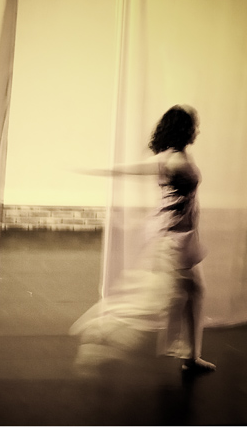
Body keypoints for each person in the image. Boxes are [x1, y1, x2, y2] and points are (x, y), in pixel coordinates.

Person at [70, 105, 216, 373]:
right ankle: (99, 330)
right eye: (193, 126)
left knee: (192, 292)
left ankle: (190, 356)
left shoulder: (182, 156)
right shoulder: (170, 160)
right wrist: (95, 169)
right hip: (173, 240)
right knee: (153, 299)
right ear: (183, 129)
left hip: (184, 237)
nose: (197, 130)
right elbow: (126, 170)